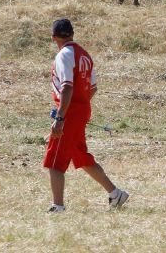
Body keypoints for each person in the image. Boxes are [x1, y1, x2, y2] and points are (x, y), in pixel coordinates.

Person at [44, 19, 129, 213]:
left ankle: (57, 206)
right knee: (80, 156)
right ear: (72, 34)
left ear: (54, 37)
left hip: (69, 113)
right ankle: (116, 194)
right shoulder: (84, 55)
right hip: (80, 110)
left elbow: (66, 86)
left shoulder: (64, 54)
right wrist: (80, 107)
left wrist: (60, 117)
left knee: (55, 160)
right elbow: (93, 87)